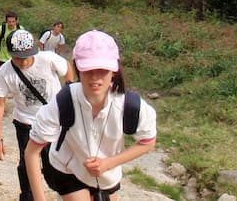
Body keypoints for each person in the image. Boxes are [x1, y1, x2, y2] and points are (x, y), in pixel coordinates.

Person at [24, 30, 157, 201]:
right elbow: (32, 152)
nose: (95, 77)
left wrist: (108, 163)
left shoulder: (131, 106)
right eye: (88, 70)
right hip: (67, 169)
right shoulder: (63, 102)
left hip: (107, 175)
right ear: (77, 67)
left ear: (114, 69)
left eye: (102, 70)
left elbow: (148, 142)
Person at [0, 30, 73, 201]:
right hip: (25, 124)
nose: (23, 62)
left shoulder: (47, 59)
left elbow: (67, 69)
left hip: (53, 122)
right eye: (18, 58)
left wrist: (68, 91)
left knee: (55, 165)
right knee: (26, 166)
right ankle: (28, 197)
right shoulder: (5, 72)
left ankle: (64, 194)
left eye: (26, 57)